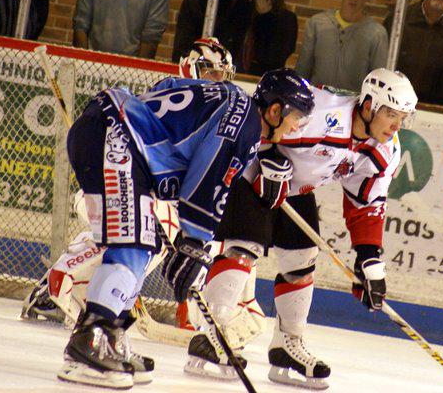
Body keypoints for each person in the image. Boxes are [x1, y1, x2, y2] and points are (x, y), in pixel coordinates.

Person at [55, 66, 314, 389]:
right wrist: (195, 241)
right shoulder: (245, 123)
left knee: (145, 244)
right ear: (275, 110)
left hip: (112, 130)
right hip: (115, 137)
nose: (296, 127)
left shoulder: (231, 98)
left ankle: (110, 334)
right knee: (134, 245)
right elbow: (208, 176)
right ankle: (90, 341)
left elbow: (166, 87)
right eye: (296, 117)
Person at [186, 69, 417, 390]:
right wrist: (267, 155)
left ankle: (287, 345)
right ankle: (211, 335)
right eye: (391, 114)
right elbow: (259, 115)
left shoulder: (385, 151)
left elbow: (366, 205)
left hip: (294, 188)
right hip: (252, 176)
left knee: (303, 259)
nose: (396, 126)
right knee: (245, 248)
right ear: (368, 106)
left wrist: (369, 260)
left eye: (403, 118)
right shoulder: (322, 112)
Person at [295, 0, 388, 91]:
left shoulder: (376, 33)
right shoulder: (317, 24)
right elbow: (302, 70)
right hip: (316, 98)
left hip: (354, 101)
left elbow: (378, 81)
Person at [224, 0, 299, 75]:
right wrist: (244, 4)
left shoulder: (287, 20)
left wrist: (265, 17)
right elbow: (227, 46)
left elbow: (274, 59)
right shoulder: (234, 9)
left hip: (265, 83)